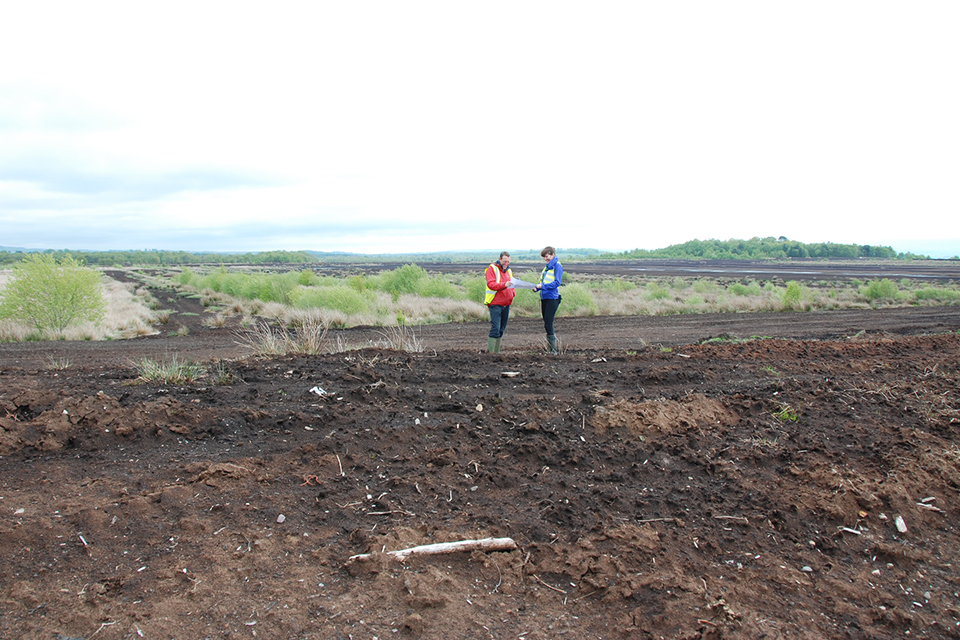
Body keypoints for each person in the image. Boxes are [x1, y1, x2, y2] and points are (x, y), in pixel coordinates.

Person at [484, 251, 515, 353]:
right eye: (505, 261)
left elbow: (511, 285)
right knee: (495, 328)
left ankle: (496, 353)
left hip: (506, 304)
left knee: (501, 329)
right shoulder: (492, 269)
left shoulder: (509, 271)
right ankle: (490, 353)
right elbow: (491, 284)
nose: (506, 263)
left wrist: (512, 294)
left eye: (508, 262)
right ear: (500, 259)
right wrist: (504, 285)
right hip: (495, 303)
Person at [534, 246, 563, 354]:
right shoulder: (546, 268)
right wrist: (537, 288)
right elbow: (542, 282)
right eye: (544, 257)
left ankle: (553, 351)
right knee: (546, 323)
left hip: (552, 298)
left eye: (547, 256)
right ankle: (550, 350)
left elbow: (557, 283)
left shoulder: (557, 266)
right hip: (544, 297)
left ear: (553, 255)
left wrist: (542, 287)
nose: (545, 258)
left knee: (548, 324)